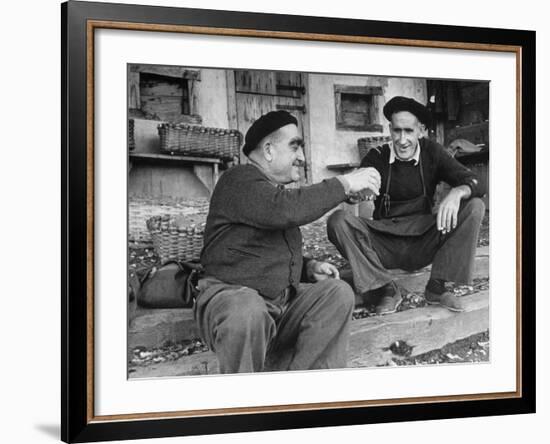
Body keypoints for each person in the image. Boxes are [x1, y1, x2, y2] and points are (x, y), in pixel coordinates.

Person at [196, 110, 381, 374]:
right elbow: (286, 210)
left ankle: (300, 392)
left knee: (337, 293)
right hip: (232, 301)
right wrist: (345, 182)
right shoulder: (237, 179)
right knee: (247, 308)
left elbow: (263, 249)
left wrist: (308, 267)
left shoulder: (271, 192)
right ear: (268, 150)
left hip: (277, 306)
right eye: (295, 146)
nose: (303, 158)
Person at [327, 96, 486, 315]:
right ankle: (385, 289)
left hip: (424, 240)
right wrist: (355, 195)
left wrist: (457, 192)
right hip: (385, 244)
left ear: (421, 130)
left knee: (474, 206)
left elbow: (478, 182)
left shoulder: (433, 152)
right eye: (397, 131)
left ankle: (437, 287)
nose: (402, 140)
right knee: (337, 221)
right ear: (390, 129)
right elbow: (352, 194)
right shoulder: (377, 156)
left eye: (409, 131)